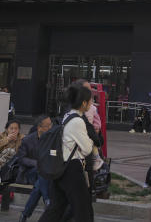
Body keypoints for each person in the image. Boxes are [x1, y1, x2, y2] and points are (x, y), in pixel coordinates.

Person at [38, 81, 95, 222]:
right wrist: (90, 141)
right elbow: (87, 148)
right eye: (90, 100)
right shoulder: (78, 121)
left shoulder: (68, 115)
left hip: (62, 166)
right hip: (72, 168)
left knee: (56, 208)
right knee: (83, 209)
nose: (92, 103)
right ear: (83, 103)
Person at [18, 115, 53, 222]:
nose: (50, 128)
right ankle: (47, 199)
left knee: (38, 187)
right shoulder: (27, 140)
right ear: (39, 128)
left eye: (51, 125)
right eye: (47, 126)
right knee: (41, 171)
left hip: (46, 175)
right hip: (30, 173)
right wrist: (36, 163)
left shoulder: (51, 139)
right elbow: (22, 159)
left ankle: (25, 214)